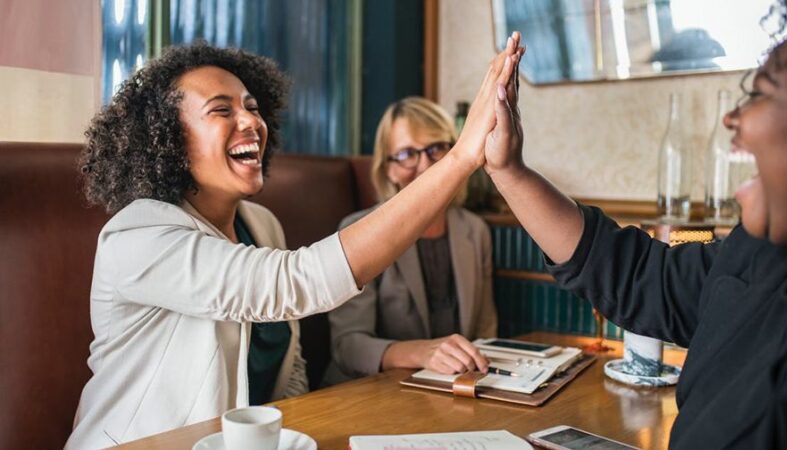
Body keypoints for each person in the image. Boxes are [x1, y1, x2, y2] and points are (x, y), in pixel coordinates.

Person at [66, 35, 524, 449]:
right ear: (167, 141)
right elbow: (294, 284)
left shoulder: (261, 224)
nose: (251, 120)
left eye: (253, 106)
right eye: (222, 110)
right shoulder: (138, 235)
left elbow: (289, 364)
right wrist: (462, 156)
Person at [484, 2, 787, 448]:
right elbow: (646, 279)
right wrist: (509, 171)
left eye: (760, 93)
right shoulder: (759, 250)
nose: (732, 118)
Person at [324, 97, 497, 384]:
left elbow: (486, 331)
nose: (426, 165)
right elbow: (347, 346)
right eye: (406, 154)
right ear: (388, 168)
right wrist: (421, 354)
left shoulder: (475, 231)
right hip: (370, 391)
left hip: (452, 390)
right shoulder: (356, 230)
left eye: (435, 148)